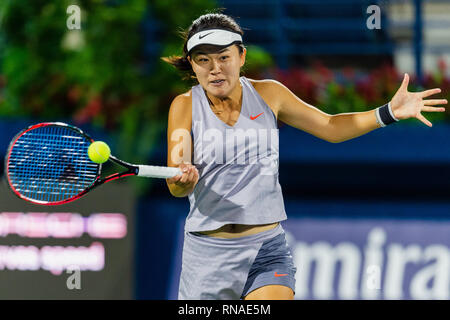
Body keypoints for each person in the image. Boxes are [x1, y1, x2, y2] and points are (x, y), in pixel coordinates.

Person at [162, 13, 447, 300]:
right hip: (207, 255)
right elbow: (175, 183)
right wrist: (184, 180)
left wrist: (388, 113)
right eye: (203, 60)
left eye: (223, 57)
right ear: (193, 65)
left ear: (241, 56)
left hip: (265, 250)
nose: (215, 69)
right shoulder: (184, 106)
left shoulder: (271, 94)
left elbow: (330, 127)